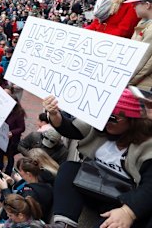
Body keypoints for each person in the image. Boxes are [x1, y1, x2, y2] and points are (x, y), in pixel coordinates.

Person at [44, 88, 152, 228]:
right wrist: (54, 114)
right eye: (104, 116)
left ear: (132, 120)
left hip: (125, 197)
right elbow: (70, 129)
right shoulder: (98, 126)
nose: (106, 122)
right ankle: (64, 224)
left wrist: (128, 212)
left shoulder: (147, 146)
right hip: (95, 183)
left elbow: (149, 187)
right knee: (69, 168)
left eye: (112, 118)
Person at [0, 95, 26, 177]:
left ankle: (8, 172)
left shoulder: (19, 113)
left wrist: (12, 133)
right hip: (1, 137)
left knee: (10, 156)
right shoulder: (3, 110)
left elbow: (22, 128)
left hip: (12, 140)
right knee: (0, 154)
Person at [126, 0, 152, 89]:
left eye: (135, 4)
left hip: (143, 86)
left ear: (147, 5)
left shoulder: (150, 30)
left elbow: (144, 64)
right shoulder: (143, 22)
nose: (133, 7)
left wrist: (125, 83)